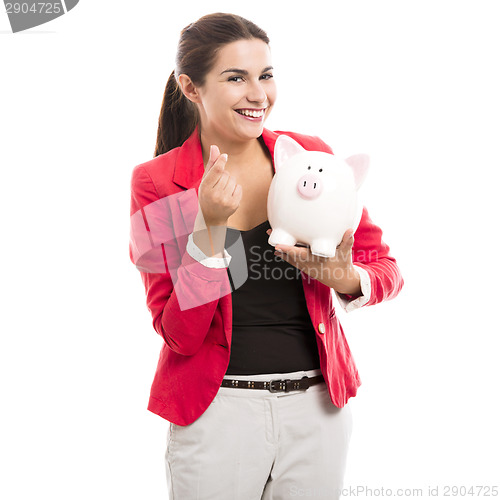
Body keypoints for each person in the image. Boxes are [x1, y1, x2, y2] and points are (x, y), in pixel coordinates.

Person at [129, 12, 404, 500]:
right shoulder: (157, 181)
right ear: (191, 88)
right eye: (236, 78)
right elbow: (179, 334)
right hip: (216, 414)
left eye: (266, 75)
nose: (259, 94)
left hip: (318, 411)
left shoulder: (308, 156)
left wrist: (344, 277)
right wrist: (210, 225)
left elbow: (386, 269)